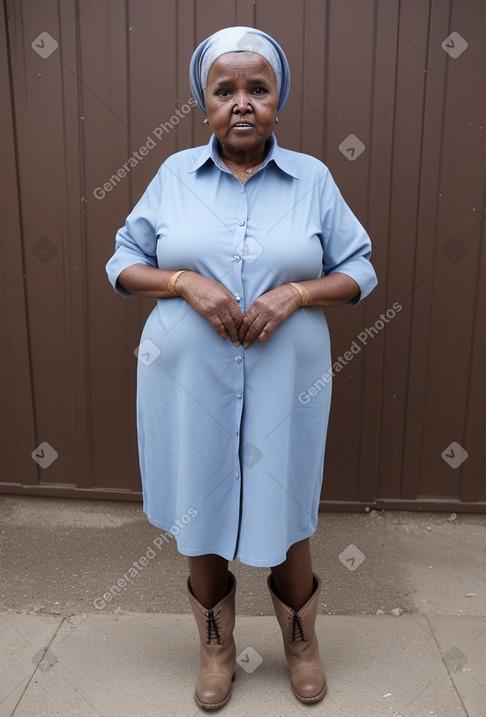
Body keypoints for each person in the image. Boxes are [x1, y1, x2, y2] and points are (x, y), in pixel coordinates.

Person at [106, 26, 377, 710]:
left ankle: (300, 643)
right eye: (225, 91)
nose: (243, 102)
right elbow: (123, 261)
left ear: (278, 100)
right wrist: (183, 283)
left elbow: (359, 268)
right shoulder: (173, 176)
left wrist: (298, 291)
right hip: (186, 377)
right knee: (200, 503)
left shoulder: (313, 177)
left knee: (285, 506)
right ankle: (216, 647)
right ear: (206, 106)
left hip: (291, 377)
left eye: (258, 88)